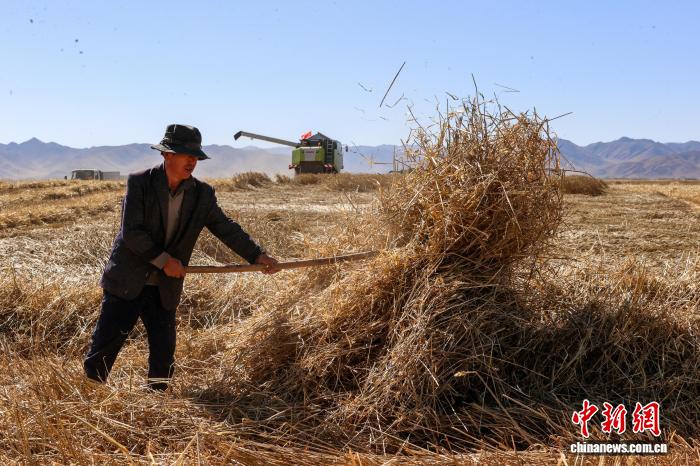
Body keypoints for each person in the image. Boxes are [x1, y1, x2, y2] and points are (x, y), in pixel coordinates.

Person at [83, 124, 280, 390]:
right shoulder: (140, 183)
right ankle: (90, 396)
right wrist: (165, 261)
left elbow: (225, 228)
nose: (192, 161)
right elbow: (132, 233)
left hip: (164, 287)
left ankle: (155, 401)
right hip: (127, 280)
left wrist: (257, 255)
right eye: (186, 155)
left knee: (163, 356)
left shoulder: (202, 195)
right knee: (104, 348)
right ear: (167, 154)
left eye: (195, 156)